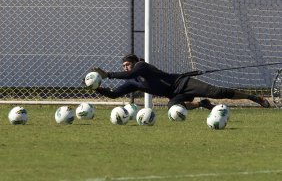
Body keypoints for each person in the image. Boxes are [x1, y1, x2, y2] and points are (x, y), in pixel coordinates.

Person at [91, 54, 270, 110]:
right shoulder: (133, 81)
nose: (125, 68)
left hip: (182, 83)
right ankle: (202, 104)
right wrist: (96, 87)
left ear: (134, 62)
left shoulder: (142, 66)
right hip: (176, 95)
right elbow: (114, 95)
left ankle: (254, 97)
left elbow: (129, 75)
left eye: (127, 64)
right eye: (123, 66)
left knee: (218, 92)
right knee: (173, 107)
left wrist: (107, 74)